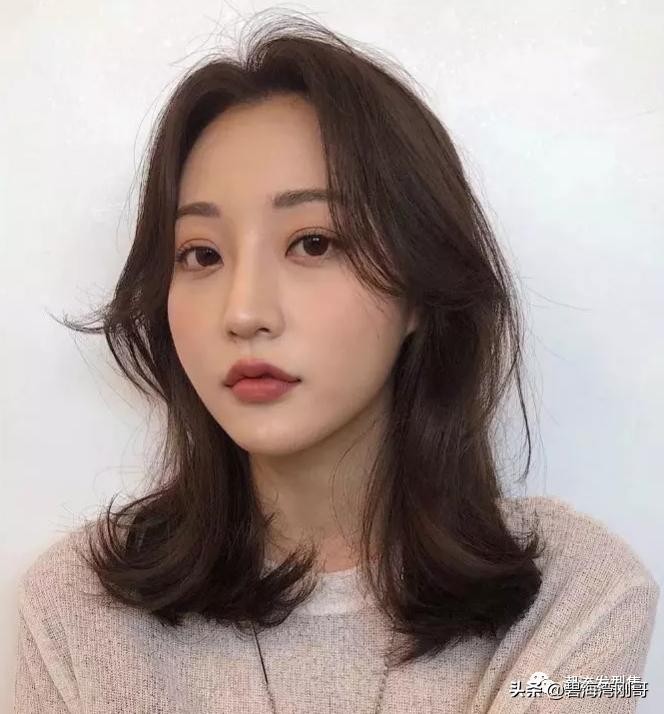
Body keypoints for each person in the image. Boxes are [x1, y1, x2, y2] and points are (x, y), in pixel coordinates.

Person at [13, 10, 658, 713]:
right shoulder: (77, 611)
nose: (244, 312)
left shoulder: (579, 594)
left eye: (314, 243)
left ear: (419, 286)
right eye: (201, 254)